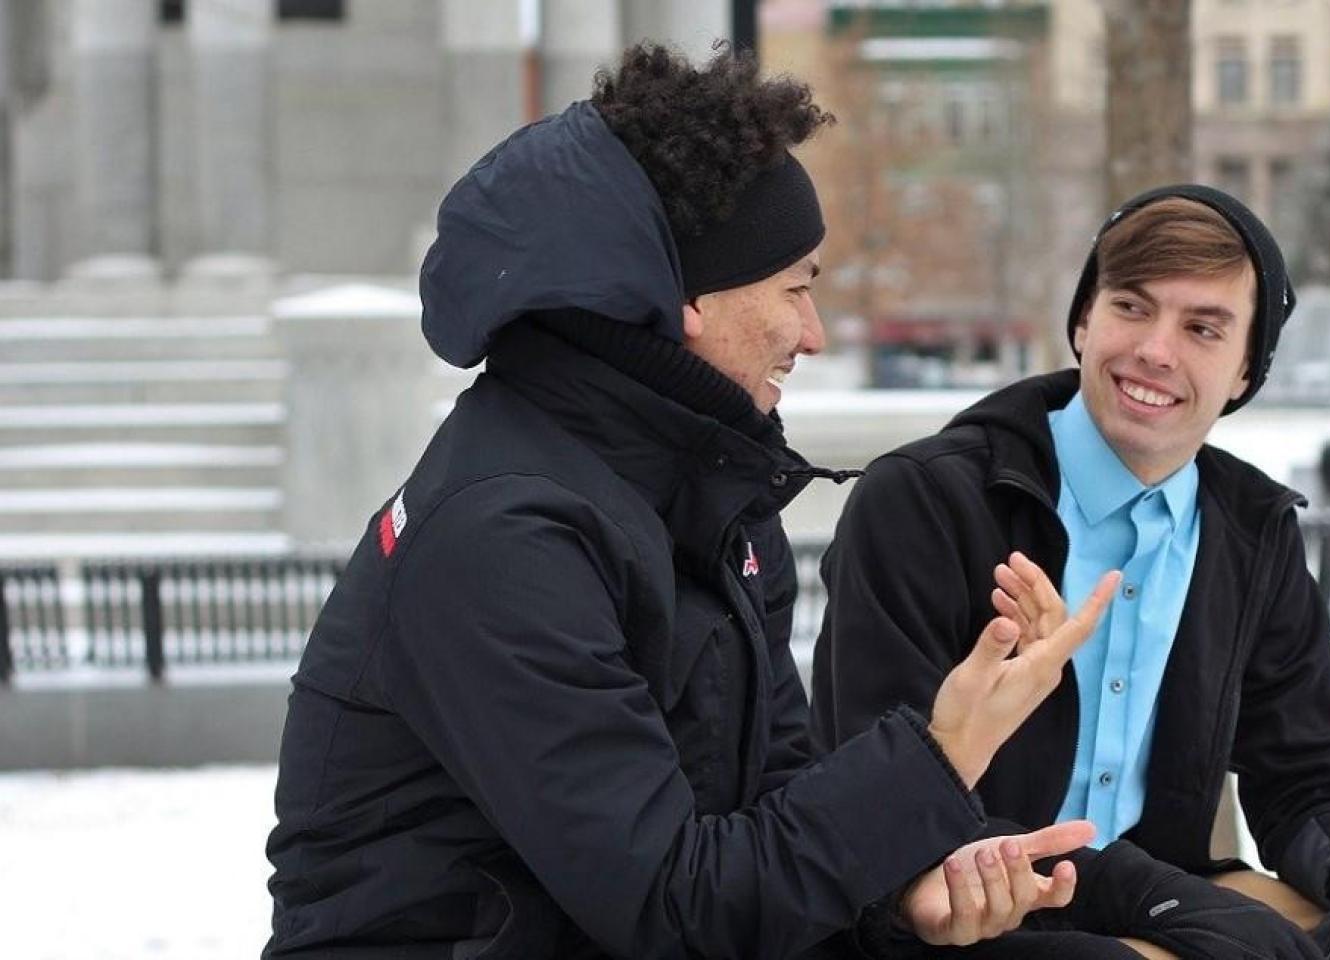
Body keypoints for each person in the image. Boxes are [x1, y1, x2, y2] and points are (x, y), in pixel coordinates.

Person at [261, 43, 1118, 960]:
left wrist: (903, 892)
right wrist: (940, 751)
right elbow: (678, 910)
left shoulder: (703, 492)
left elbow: (769, 802)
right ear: (685, 301)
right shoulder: (503, 537)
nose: (814, 334)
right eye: (795, 289)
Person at [811, 185, 1330, 959]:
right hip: (966, 907)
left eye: (1204, 328)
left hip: (1173, 902)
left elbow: (1305, 781)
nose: (1156, 351)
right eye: (1132, 308)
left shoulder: (1249, 532)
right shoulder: (930, 501)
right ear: (1083, 320)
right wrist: (1164, 902)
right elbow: (874, 786)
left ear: (1245, 371)